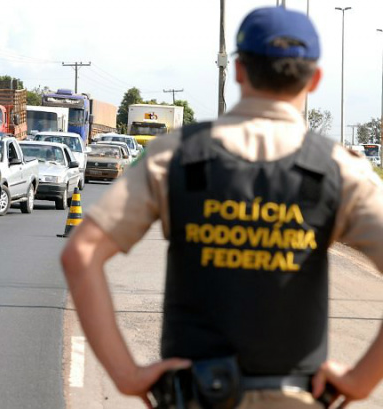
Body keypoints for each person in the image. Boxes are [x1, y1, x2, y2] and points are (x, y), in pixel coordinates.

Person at [61, 7, 383, 409]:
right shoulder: (340, 170)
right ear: (315, 78)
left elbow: (81, 253)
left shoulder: (176, 155)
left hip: (195, 395)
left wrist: (127, 375)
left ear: (238, 71)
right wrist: (359, 380)